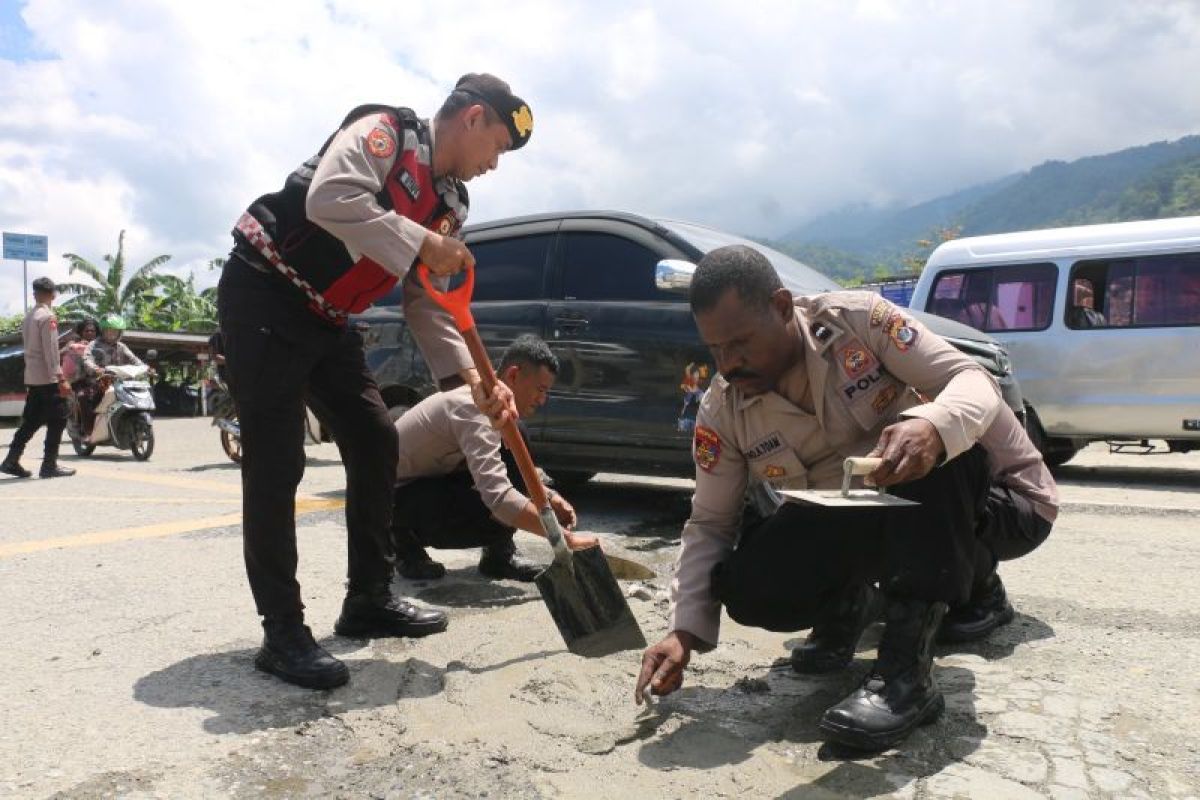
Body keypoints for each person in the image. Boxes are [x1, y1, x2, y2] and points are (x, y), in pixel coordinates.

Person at [635, 245, 1058, 752]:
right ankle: (859, 597)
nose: (729, 363)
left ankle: (910, 672)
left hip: (1002, 500)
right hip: (881, 517)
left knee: (922, 443)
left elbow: (973, 380)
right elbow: (710, 524)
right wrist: (683, 630)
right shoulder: (724, 408)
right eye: (716, 349)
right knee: (748, 583)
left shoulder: (858, 322)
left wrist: (932, 424)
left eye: (742, 343)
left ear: (780, 305)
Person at [217, 72, 533, 690]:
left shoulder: (449, 204)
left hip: (327, 318)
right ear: (472, 119)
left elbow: (427, 303)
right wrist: (419, 242)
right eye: (497, 146)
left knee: (375, 440)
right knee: (278, 463)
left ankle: (368, 598)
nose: (495, 164)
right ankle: (283, 632)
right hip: (266, 289)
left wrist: (474, 383)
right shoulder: (384, 133)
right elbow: (329, 198)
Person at [392, 335, 595, 583]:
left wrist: (548, 497)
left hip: (428, 480)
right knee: (499, 505)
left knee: (515, 436)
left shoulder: (491, 408)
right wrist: (562, 537)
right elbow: (498, 497)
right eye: (541, 390)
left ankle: (499, 557)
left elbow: (499, 473)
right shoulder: (474, 410)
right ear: (513, 376)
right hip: (388, 501)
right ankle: (402, 545)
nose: (543, 400)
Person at [1, 277, 75, 479]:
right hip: (48, 379)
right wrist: (60, 377)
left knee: (31, 421)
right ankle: (49, 465)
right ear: (53, 295)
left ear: (35, 294)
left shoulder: (29, 317)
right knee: (58, 420)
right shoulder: (48, 317)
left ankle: (11, 460)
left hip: (33, 378)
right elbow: (50, 351)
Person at [61, 318, 100, 436]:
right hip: (80, 380)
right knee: (83, 397)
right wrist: (72, 347)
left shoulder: (102, 343)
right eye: (87, 331)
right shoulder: (74, 342)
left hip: (100, 379)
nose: (90, 333)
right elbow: (62, 352)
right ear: (81, 332)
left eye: (92, 331)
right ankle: (88, 431)